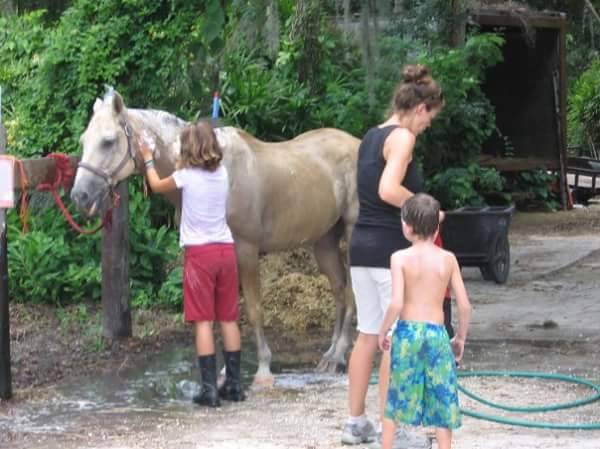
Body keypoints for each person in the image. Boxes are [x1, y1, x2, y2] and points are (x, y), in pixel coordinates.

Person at [342, 64, 445, 448]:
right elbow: (388, 189)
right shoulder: (403, 137)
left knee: (368, 334)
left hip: (361, 248)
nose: (428, 126)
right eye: (430, 117)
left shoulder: (371, 136)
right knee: (394, 339)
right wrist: (426, 211)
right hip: (388, 250)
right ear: (420, 109)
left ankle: (356, 424)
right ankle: (393, 430)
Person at [138, 121, 245, 407]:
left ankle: (209, 390)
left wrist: (148, 157)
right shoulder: (221, 173)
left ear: (188, 148)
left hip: (200, 255)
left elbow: (156, 184)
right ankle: (234, 385)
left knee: (203, 322)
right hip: (226, 250)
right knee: (229, 318)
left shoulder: (184, 176)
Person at [378, 193, 471, 449]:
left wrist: (383, 330)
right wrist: (460, 337)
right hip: (437, 334)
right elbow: (464, 305)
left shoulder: (399, 258)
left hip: (407, 333)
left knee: (396, 397)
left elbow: (396, 303)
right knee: (442, 397)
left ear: (406, 226)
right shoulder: (448, 258)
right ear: (437, 227)